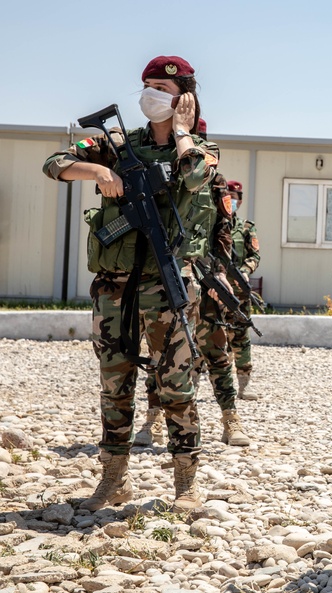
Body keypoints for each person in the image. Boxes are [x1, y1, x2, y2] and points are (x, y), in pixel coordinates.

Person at [42, 56, 223, 512]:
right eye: (146, 86)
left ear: (183, 95)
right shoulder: (115, 143)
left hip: (167, 285)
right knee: (114, 380)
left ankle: (186, 485)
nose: (151, 94)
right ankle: (113, 480)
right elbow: (55, 162)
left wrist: (182, 132)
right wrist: (99, 172)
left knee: (177, 384)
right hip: (114, 286)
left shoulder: (201, 148)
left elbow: (198, 176)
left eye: (162, 87)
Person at [135, 174, 253, 448]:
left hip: (205, 278)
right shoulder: (160, 175)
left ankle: (230, 419)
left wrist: (221, 273)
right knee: (159, 354)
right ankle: (153, 420)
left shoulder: (214, 182)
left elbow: (223, 229)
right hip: (168, 278)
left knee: (216, 352)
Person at [224, 181, 262, 400]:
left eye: (235, 197)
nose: (231, 201)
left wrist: (246, 270)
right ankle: (194, 382)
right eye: (227, 196)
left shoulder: (247, 227)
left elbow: (254, 255)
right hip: (213, 291)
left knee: (240, 335)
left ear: (240, 200)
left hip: (238, 290)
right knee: (204, 335)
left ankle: (244, 385)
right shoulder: (210, 225)